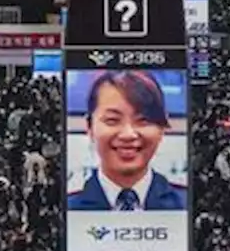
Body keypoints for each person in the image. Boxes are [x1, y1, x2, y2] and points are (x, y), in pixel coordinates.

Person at [66, 71, 187, 211]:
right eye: (112, 120)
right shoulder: (67, 207)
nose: (128, 134)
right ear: (89, 127)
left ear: (162, 128)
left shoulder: (186, 203)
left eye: (143, 120)